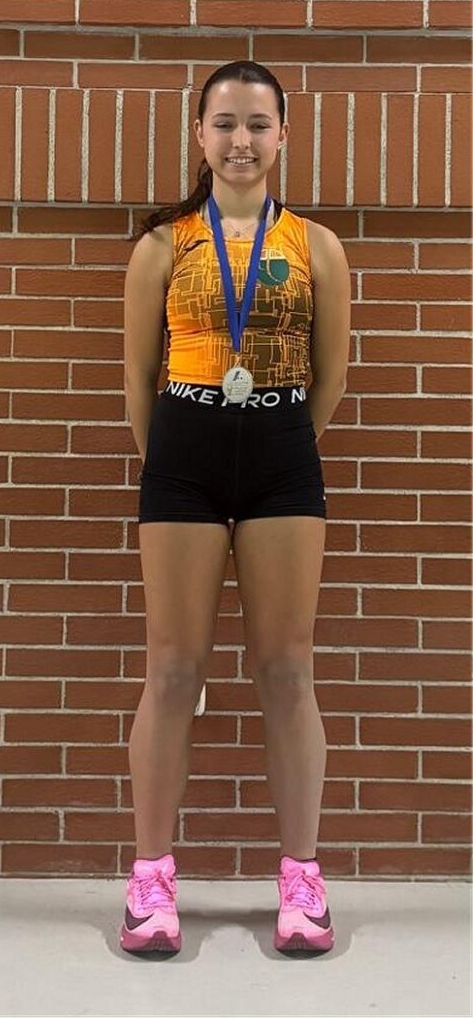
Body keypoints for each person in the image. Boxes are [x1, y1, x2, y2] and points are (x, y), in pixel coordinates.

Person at [120, 60, 350, 956]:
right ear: (199, 134)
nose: (240, 141)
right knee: (173, 669)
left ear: (282, 135)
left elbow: (329, 377)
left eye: (257, 124)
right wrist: (181, 454)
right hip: (182, 452)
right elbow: (139, 378)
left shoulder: (316, 246)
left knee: (286, 669)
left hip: (282, 452)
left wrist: (274, 433)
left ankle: (301, 880)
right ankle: (150, 882)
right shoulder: (163, 246)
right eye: (223, 123)